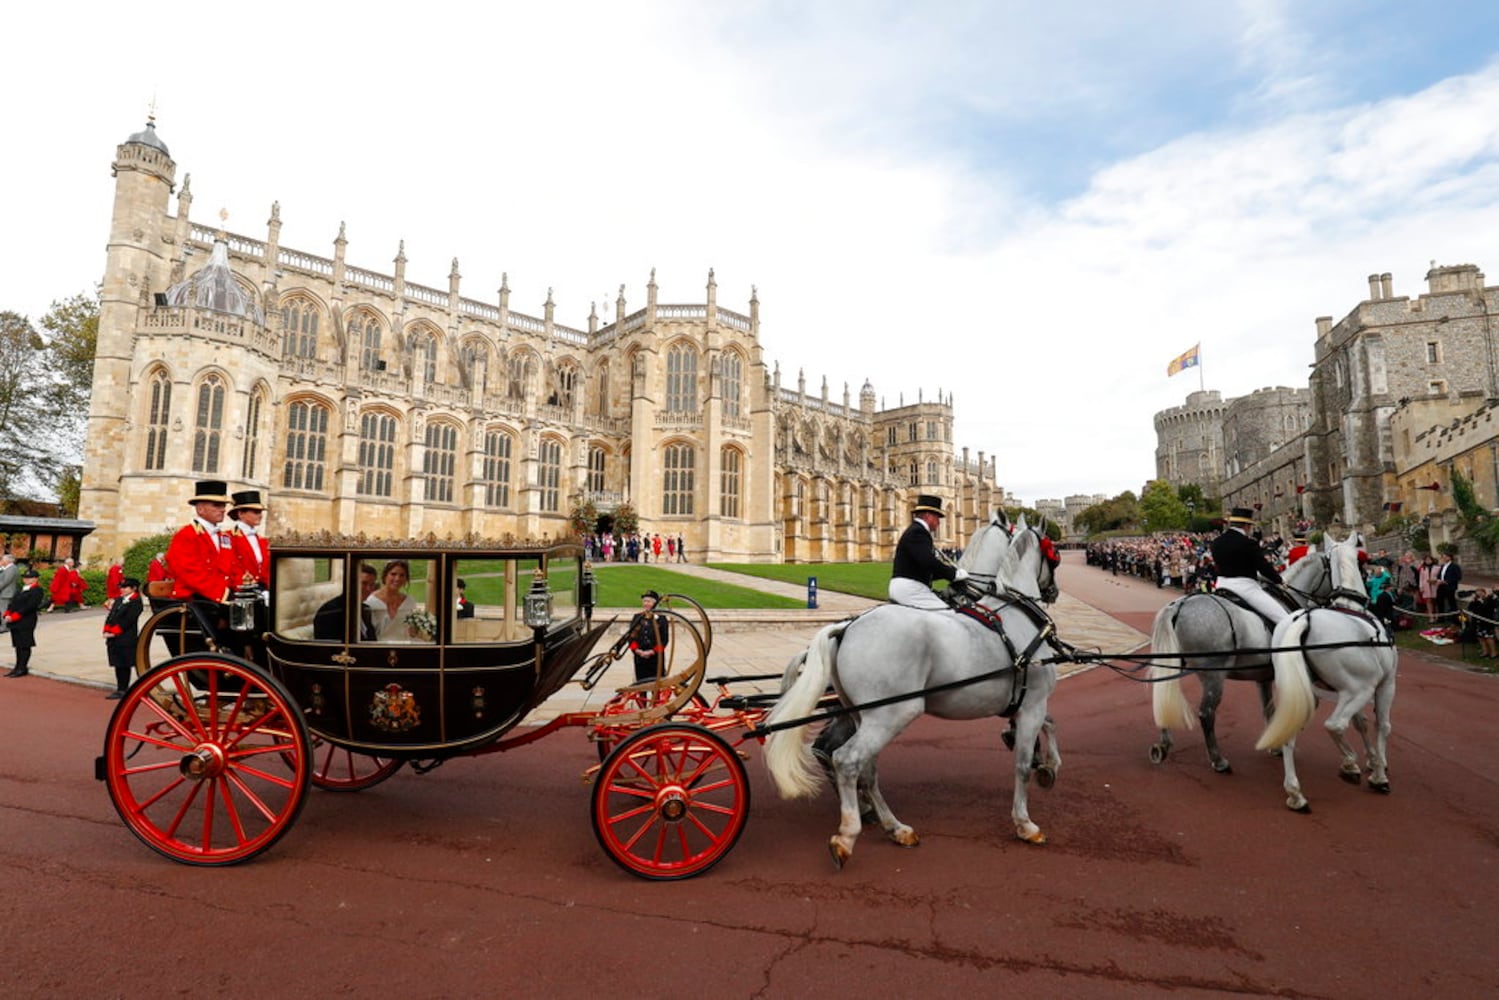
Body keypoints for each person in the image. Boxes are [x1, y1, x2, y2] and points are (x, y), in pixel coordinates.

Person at [165, 479, 249, 650]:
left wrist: (244, 589)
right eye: (216, 505)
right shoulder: (186, 535)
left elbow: (233, 567)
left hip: (218, 597)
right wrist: (224, 595)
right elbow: (190, 573)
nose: (223, 510)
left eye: (223, 505)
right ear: (200, 508)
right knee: (239, 613)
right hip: (196, 598)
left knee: (256, 609)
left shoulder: (224, 537)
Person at [1209, 508, 1288, 625]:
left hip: (1221, 585)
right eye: (1250, 526)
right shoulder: (1248, 543)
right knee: (1285, 620)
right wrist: (1279, 580)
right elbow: (1263, 566)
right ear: (1246, 525)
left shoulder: (1216, 542)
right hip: (1246, 588)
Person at [889, 494, 968, 610]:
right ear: (928, 516)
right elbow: (928, 562)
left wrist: (949, 574)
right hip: (910, 588)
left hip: (910, 586)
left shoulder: (917, 531)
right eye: (937, 518)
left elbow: (924, 569)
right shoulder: (918, 532)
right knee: (947, 613)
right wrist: (954, 574)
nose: (938, 523)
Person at [612, 589, 671, 683]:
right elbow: (631, 637)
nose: (646, 603)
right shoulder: (637, 617)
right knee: (640, 684)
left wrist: (652, 652)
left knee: (656, 685)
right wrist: (637, 650)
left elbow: (664, 640)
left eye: (649, 601)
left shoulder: (661, 619)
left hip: (656, 658)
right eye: (644, 601)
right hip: (640, 658)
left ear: (655, 603)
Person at [102, 576, 143, 698]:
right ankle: (120, 687)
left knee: (124, 663)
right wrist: (106, 629)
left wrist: (115, 631)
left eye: (125, 587)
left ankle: (123, 689)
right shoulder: (119, 600)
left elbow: (128, 620)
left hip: (126, 637)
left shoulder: (136, 602)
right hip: (113, 637)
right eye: (122, 587)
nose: (122, 590)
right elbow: (111, 615)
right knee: (117, 662)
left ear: (134, 588)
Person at [314, 563, 378, 641]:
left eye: (372, 585)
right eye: (363, 583)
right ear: (351, 583)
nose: (369, 589)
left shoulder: (365, 609)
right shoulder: (330, 611)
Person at [364, 559, 421, 641]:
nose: (397, 578)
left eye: (402, 575)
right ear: (385, 575)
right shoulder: (370, 601)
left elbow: (413, 630)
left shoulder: (409, 601)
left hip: (405, 646)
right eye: (393, 574)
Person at [4, 568, 45, 677]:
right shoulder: (21, 589)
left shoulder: (37, 590)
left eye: (29, 578)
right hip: (14, 619)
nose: (26, 580)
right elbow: (13, 602)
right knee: (17, 644)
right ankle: (17, 666)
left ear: (35, 579)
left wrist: (16, 615)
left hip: (26, 619)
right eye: (25, 578)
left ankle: (22, 667)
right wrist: (8, 613)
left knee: (25, 644)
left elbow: (30, 606)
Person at [227, 489, 270, 587]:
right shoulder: (229, 537)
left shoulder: (262, 541)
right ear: (241, 514)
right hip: (241, 589)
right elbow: (231, 568)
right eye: (256, 512)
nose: (260, 515)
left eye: (260, 512)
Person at [1435, 550, 1463, 620]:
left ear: (1449, 557)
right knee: (1439, 602)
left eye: (1445, 557)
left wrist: (1447, 581)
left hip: (1450, 587)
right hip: (1441, 586)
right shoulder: (1442, 566)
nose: (1443, 558)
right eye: (1443, 557)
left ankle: (1455, 618)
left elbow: (1458, 576)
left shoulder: (1454, 566)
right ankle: (1441, 618)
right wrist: (1438, 580)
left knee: (1452, 602)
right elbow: (1440, 575)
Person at [0, 554, 16, 635]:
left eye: (3, 559)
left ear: (8, 560)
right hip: (5, 593)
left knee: (4, 610)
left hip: (6, 593)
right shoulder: (7, 568)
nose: (2, 561)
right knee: (4, 610)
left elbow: (5, 582)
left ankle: (4, 626)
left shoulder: (11, 569)